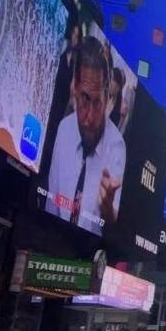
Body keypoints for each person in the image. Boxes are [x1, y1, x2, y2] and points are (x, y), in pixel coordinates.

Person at [45, 35, 126, 235]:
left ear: (108, 96)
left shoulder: (116, 146)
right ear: (74, 90)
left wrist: (108, 210)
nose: (89, 117)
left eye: (97, 102)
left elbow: (113, 221)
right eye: (84, 99)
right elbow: (51, 202)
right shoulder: (64, 129)